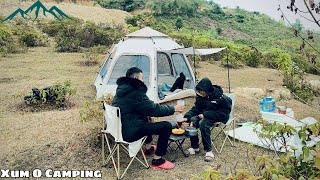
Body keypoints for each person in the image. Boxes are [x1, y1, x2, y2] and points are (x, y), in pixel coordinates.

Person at [111, 67, 184, 169]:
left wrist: (147, 115)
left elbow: (135, 108)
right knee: (166, 126)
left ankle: (148, 149)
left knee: (147, 119)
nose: (143, 80)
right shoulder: (136, 92)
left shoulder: (122, 89)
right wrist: (173, 109)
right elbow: (154, 109)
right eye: (142, 77)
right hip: (130, 132)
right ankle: (158, 160)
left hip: (118, 129)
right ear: (136, 78)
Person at [183, 78, 232, 162]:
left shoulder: (219, 97)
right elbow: (197, 108)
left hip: (217, 116)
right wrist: (187, 116)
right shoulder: (200, 96)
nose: (201, 93)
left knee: (203, 124)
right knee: (193, 121)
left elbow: (223, 114)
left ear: (207, 90)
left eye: (202, 91)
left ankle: (208, 151)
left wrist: (205, 114)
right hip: (204, 114)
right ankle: (195, 147)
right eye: (199, 91)